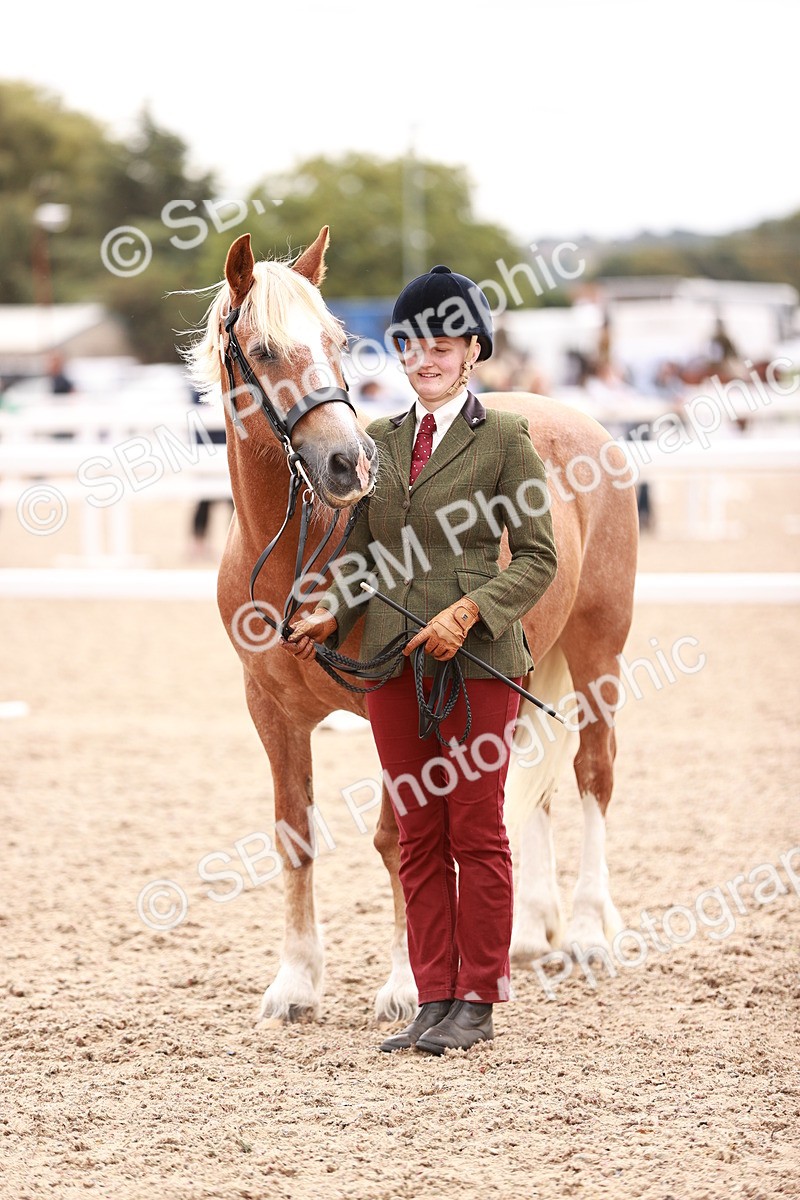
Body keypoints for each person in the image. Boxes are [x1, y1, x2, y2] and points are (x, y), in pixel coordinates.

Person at [283, 265, 558, 1055]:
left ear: (472, 351)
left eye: (443, 344)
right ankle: (434, 996)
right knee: (417, 832)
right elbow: (363, 555)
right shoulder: (379, 440)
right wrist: (333, 609)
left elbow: (537, 558)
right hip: (392, 662)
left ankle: (479, 999)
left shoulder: (505, 439)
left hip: (477, 663)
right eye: (413, 344)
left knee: (476, 830)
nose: (425, 358)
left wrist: (468, 612)